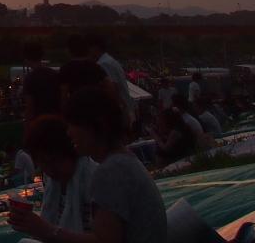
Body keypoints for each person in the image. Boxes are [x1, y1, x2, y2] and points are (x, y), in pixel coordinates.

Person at [33, 87, 167, 243]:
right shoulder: (124, 162)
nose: (68, 133)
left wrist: (47, 231)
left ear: (96, 125)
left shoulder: (110, 171)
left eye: (73, 124)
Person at [8, 116, 97, 239]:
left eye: (54, 161)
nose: (50, 170)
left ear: (71, 154)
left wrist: (46, 231)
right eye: (43, 163)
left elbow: (105, 239)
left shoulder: (94, 182)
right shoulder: (53, 185)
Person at [86, 35, 136, 133]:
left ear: (95, 48)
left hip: (117, 111)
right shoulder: (110, 61)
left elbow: (113, 87)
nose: (88, 52)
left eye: (89, 48)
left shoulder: (103, 64)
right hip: (122, 108)